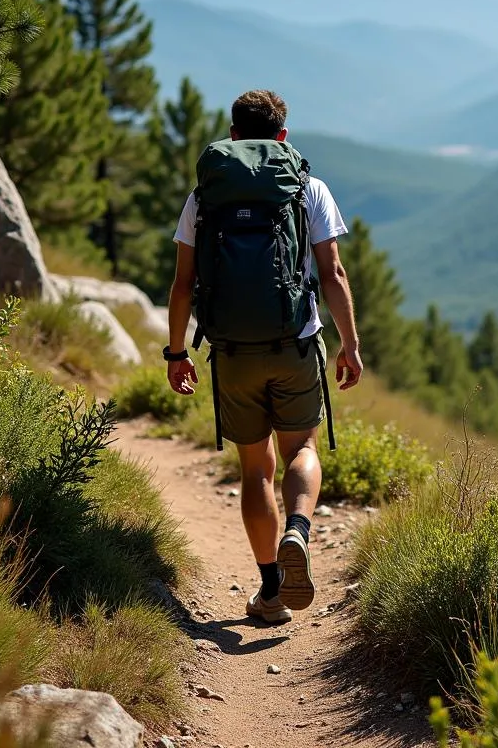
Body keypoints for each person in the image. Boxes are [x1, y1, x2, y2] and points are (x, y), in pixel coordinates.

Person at [164, 89, 363, 624]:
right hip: (294, 342)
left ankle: (271, 591)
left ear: (232, 136)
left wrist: (176, 352)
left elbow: (183, 285)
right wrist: (350, 343)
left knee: (256, 468)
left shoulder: (202, 198)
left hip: (231, 350)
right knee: (300, 448)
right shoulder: (307, 187)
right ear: (282, 137)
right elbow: (333, 275)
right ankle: (299, 530)